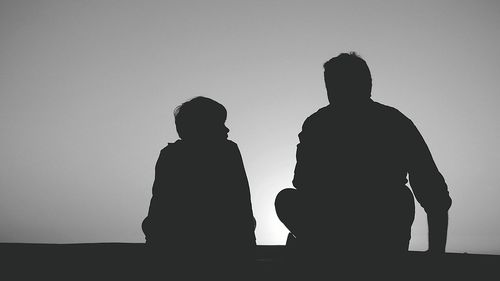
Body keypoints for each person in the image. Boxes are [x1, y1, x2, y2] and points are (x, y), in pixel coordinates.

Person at [275, 52, 452, 263]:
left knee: (288, 199)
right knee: (287, 199)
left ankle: (317, 249)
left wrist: (436, 255)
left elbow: (302, 181)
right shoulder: (393, 121)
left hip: (376, 230)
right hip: (342, 226)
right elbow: (434, 193)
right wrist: (437, 253)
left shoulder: (319, 123)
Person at [142, 96, 256, 270]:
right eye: (220, 123)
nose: (227, 129)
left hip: (177, 246)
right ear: (204, 126)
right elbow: (242, 206)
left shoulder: (170, 155)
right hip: (222, 247)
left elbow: (159, 205)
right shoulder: (227, 152)